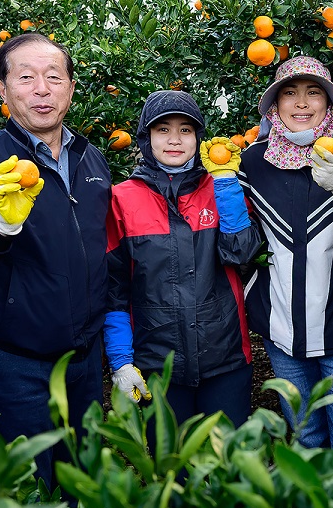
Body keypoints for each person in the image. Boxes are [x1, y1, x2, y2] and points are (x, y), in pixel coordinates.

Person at [0, 33, 111, 489]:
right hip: (16, 366)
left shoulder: (91, 160)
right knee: (28, 489)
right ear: (2, 89)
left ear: (71, 87)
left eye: (54, 77)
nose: (41, 89)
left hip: (85, 363)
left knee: (83, 484)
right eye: (26, 77)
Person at [238, 55, 333, 450]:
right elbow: (245, 242)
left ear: (329, 103)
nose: (301, 103)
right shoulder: (252, 162)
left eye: (313, 92)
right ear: (275, 106)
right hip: (281, 334)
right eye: (290, 93)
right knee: (305, 438)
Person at [102, 90, 261, 428]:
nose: (174, 140)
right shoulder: (122, 199)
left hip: (226, 356)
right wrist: (120, 359)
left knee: (228, 466)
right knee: (172, 469)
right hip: (157, 361)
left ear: (198, 138)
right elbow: (115, 288)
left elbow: (241, 252)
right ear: (146, 138)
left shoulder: (221, 186)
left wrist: (227, 185)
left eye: (185, 130)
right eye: (163, 130)